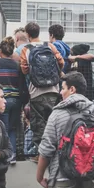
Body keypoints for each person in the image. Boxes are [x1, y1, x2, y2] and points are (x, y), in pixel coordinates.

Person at [20, 22, 64, 150]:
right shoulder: (49, 46)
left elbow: (24, 70)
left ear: (27, 34)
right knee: (53, 122)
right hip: (54, 90)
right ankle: (55, 151)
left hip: (36, 92)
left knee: (39, 124)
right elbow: (60, 61)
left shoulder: (26, 49)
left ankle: (41, 154)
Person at [0, 36, 24, 164]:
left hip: (2, 100)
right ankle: (12, 154)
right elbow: (21, 83)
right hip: (16, 100)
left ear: (0, 51)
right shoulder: (17, 65)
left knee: (1, 128)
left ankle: (2, 154)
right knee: (13, 128)